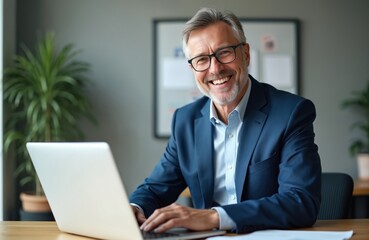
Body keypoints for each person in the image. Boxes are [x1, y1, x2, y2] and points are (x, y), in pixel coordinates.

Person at [129, 7, 321, 234]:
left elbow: (300, 202)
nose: (215, 68)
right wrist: (134, 208)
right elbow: (155, 189)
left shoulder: (291, 113)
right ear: (192, 68)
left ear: (246, 54)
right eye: (201, 60)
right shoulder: (185, 120)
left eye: (225, 52)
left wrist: (213, 217)